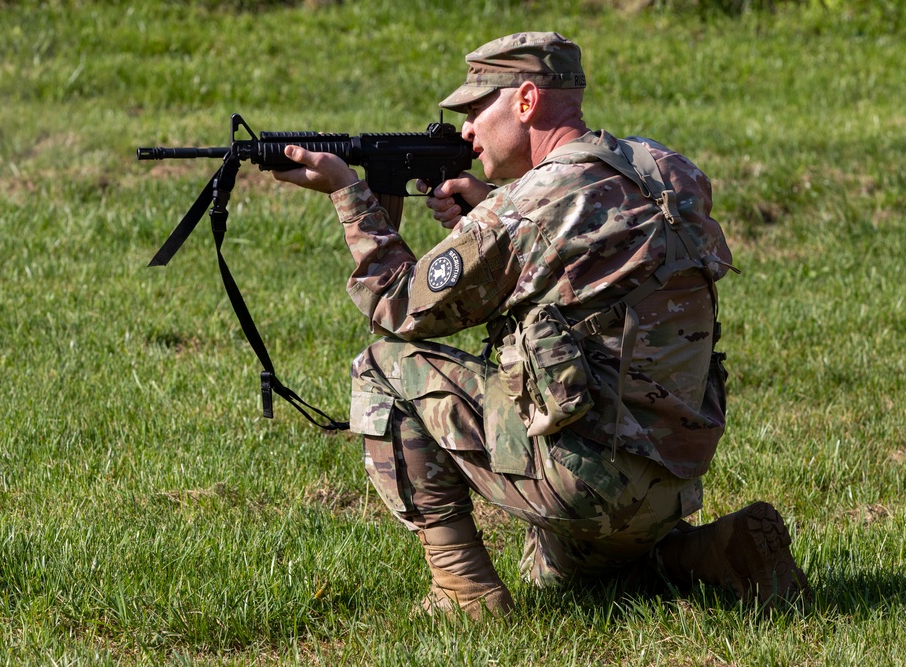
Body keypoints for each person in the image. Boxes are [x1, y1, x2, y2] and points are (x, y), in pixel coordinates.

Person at [272, 32, 810, 619]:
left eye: (477, 109)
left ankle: (463, 592)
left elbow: (398, 306)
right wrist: (492, 204)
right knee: (557, 572)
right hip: (673, 474)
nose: (467, 131)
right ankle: (712, 552)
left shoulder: (521, 211)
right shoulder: (668, 169)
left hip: (586, 481)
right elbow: (584, 241)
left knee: (381, 368)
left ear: (526, 101)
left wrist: (351, 195)